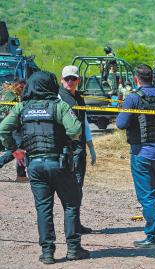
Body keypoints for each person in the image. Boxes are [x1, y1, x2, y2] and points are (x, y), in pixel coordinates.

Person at [0, 71, 90, 264]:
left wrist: (14, 149)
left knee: (43, 208)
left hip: (35, 165)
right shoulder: (59, 106)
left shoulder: (22, 107)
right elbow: (75, 130)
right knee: (71, 204)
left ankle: (48, 252)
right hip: (60, 163)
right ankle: (73, 248)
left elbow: (3, 129)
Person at [116, 64, 155, 248]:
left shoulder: (133, 98)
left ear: (137, 79)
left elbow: (121, 123)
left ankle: (152, 237)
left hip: (141, 154)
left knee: (147, 197)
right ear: (152, 78)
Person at [58, 65, 96, 234]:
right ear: (62, 79)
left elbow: (85, 123)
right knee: (68, 188)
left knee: (78, 186)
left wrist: (91, 147)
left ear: (78, 80)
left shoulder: (79, 98)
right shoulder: (58, 98)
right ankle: (71, 225)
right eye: (67, 79)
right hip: (65, 149)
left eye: (73, 78)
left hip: (79, 149)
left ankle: (76, 223)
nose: (70, 82)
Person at [0, 80, 28, 181]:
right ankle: (21, 175)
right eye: (21, 87)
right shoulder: (11, 95)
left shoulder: (12, 94)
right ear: (16, 85)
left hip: (14, 125)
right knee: (17, 149)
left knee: (19, 148)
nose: (22, 89)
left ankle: (21, 175)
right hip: (13, 125)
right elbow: (7, 110)